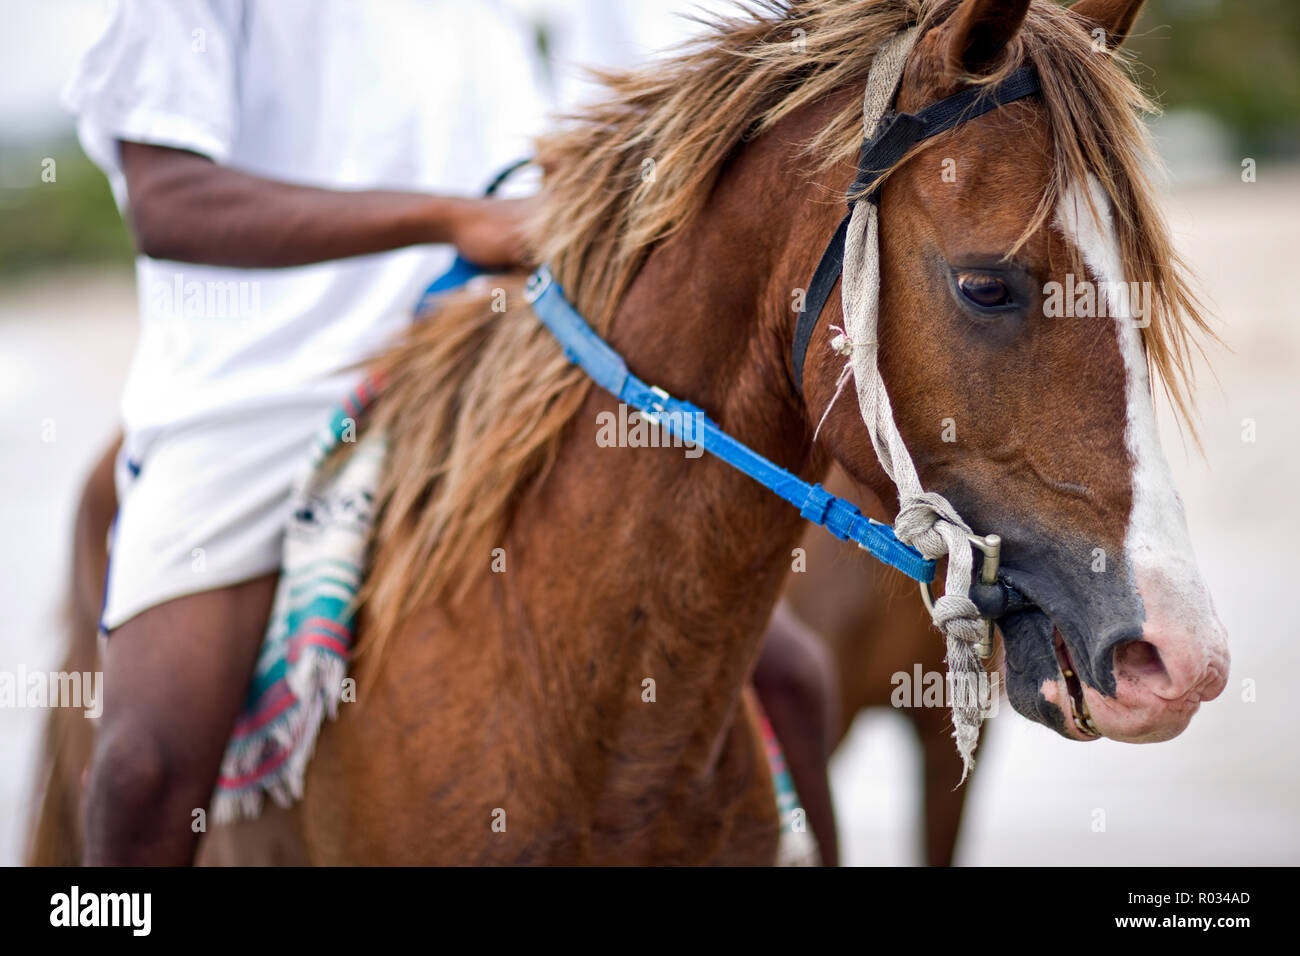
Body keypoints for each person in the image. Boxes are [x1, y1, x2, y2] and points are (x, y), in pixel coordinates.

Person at [65, 0, 552, 865]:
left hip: (491, 353)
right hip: (263, 392)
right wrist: (446, 219)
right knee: (142, 772)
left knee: (780, 673)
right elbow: (166, 200)